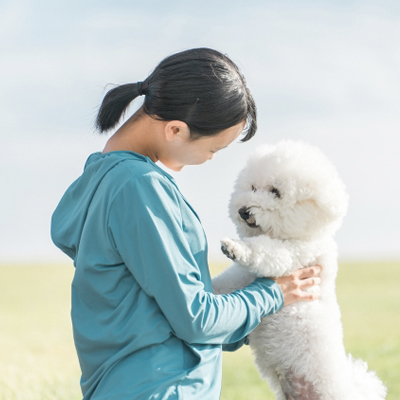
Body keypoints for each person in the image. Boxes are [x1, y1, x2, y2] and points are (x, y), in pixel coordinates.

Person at [51, 48, 322, 400]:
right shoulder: (140, 187)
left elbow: (161, 316)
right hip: (163, 389)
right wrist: (274, 293)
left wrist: (254, 314)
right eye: (213, 149)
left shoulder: (99, 181)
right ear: (176, 129)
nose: (209, 160)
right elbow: (197, 318)